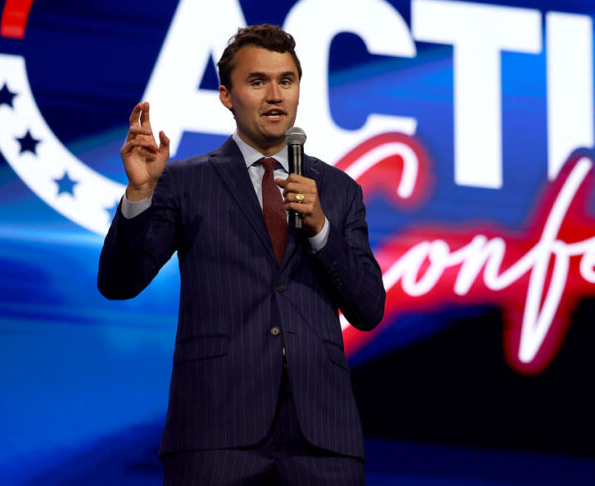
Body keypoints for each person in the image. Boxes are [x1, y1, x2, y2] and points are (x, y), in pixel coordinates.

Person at [98, 24, 385, 485]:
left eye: (286, 81)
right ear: (227, 96)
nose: (275, 95)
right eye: (258, 82)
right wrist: (139, 192)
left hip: (323, 440)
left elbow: (369, 308)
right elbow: (118, 282)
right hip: (216, 431)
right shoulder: (185, 182)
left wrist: (321, 229)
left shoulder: (338, 191)